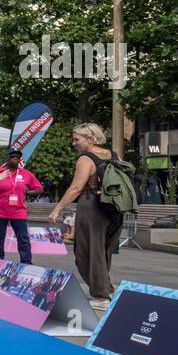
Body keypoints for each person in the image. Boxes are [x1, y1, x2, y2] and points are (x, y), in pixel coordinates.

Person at [48, 123, 123, 309]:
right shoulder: (114, 155)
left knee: (86, 252)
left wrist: (57, 208)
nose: (74, 143)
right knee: (103, 252)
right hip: (115, 209)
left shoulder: (86, 159)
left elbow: (76, 188)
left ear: (90, 139)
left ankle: (101, 295)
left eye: (77, 139)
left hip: (93, 208)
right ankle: (107, 288)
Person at [0, 148, 43, 263]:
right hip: (0, 211)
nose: (15, 158)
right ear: (7, 158)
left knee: (23, 238)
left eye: (18, 157)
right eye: (12, 156)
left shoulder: (26, 173)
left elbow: (39, 189)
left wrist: (27, 192)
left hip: (19, 211)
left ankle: (26, 262)